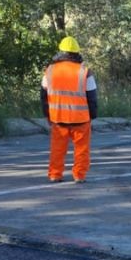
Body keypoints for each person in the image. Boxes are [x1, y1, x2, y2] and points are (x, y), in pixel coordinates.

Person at [41, 36, 98, 183]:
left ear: (60, 51)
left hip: (58, 118)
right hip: (81, 119)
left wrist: (47, 115)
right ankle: (79, 175)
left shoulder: (50, 70)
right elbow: (92, 96)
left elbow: (44, 96)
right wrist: (93, 115)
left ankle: (55, 174)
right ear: (77, 52)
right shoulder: (85, 71)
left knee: (57, 149)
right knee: (81, 149)